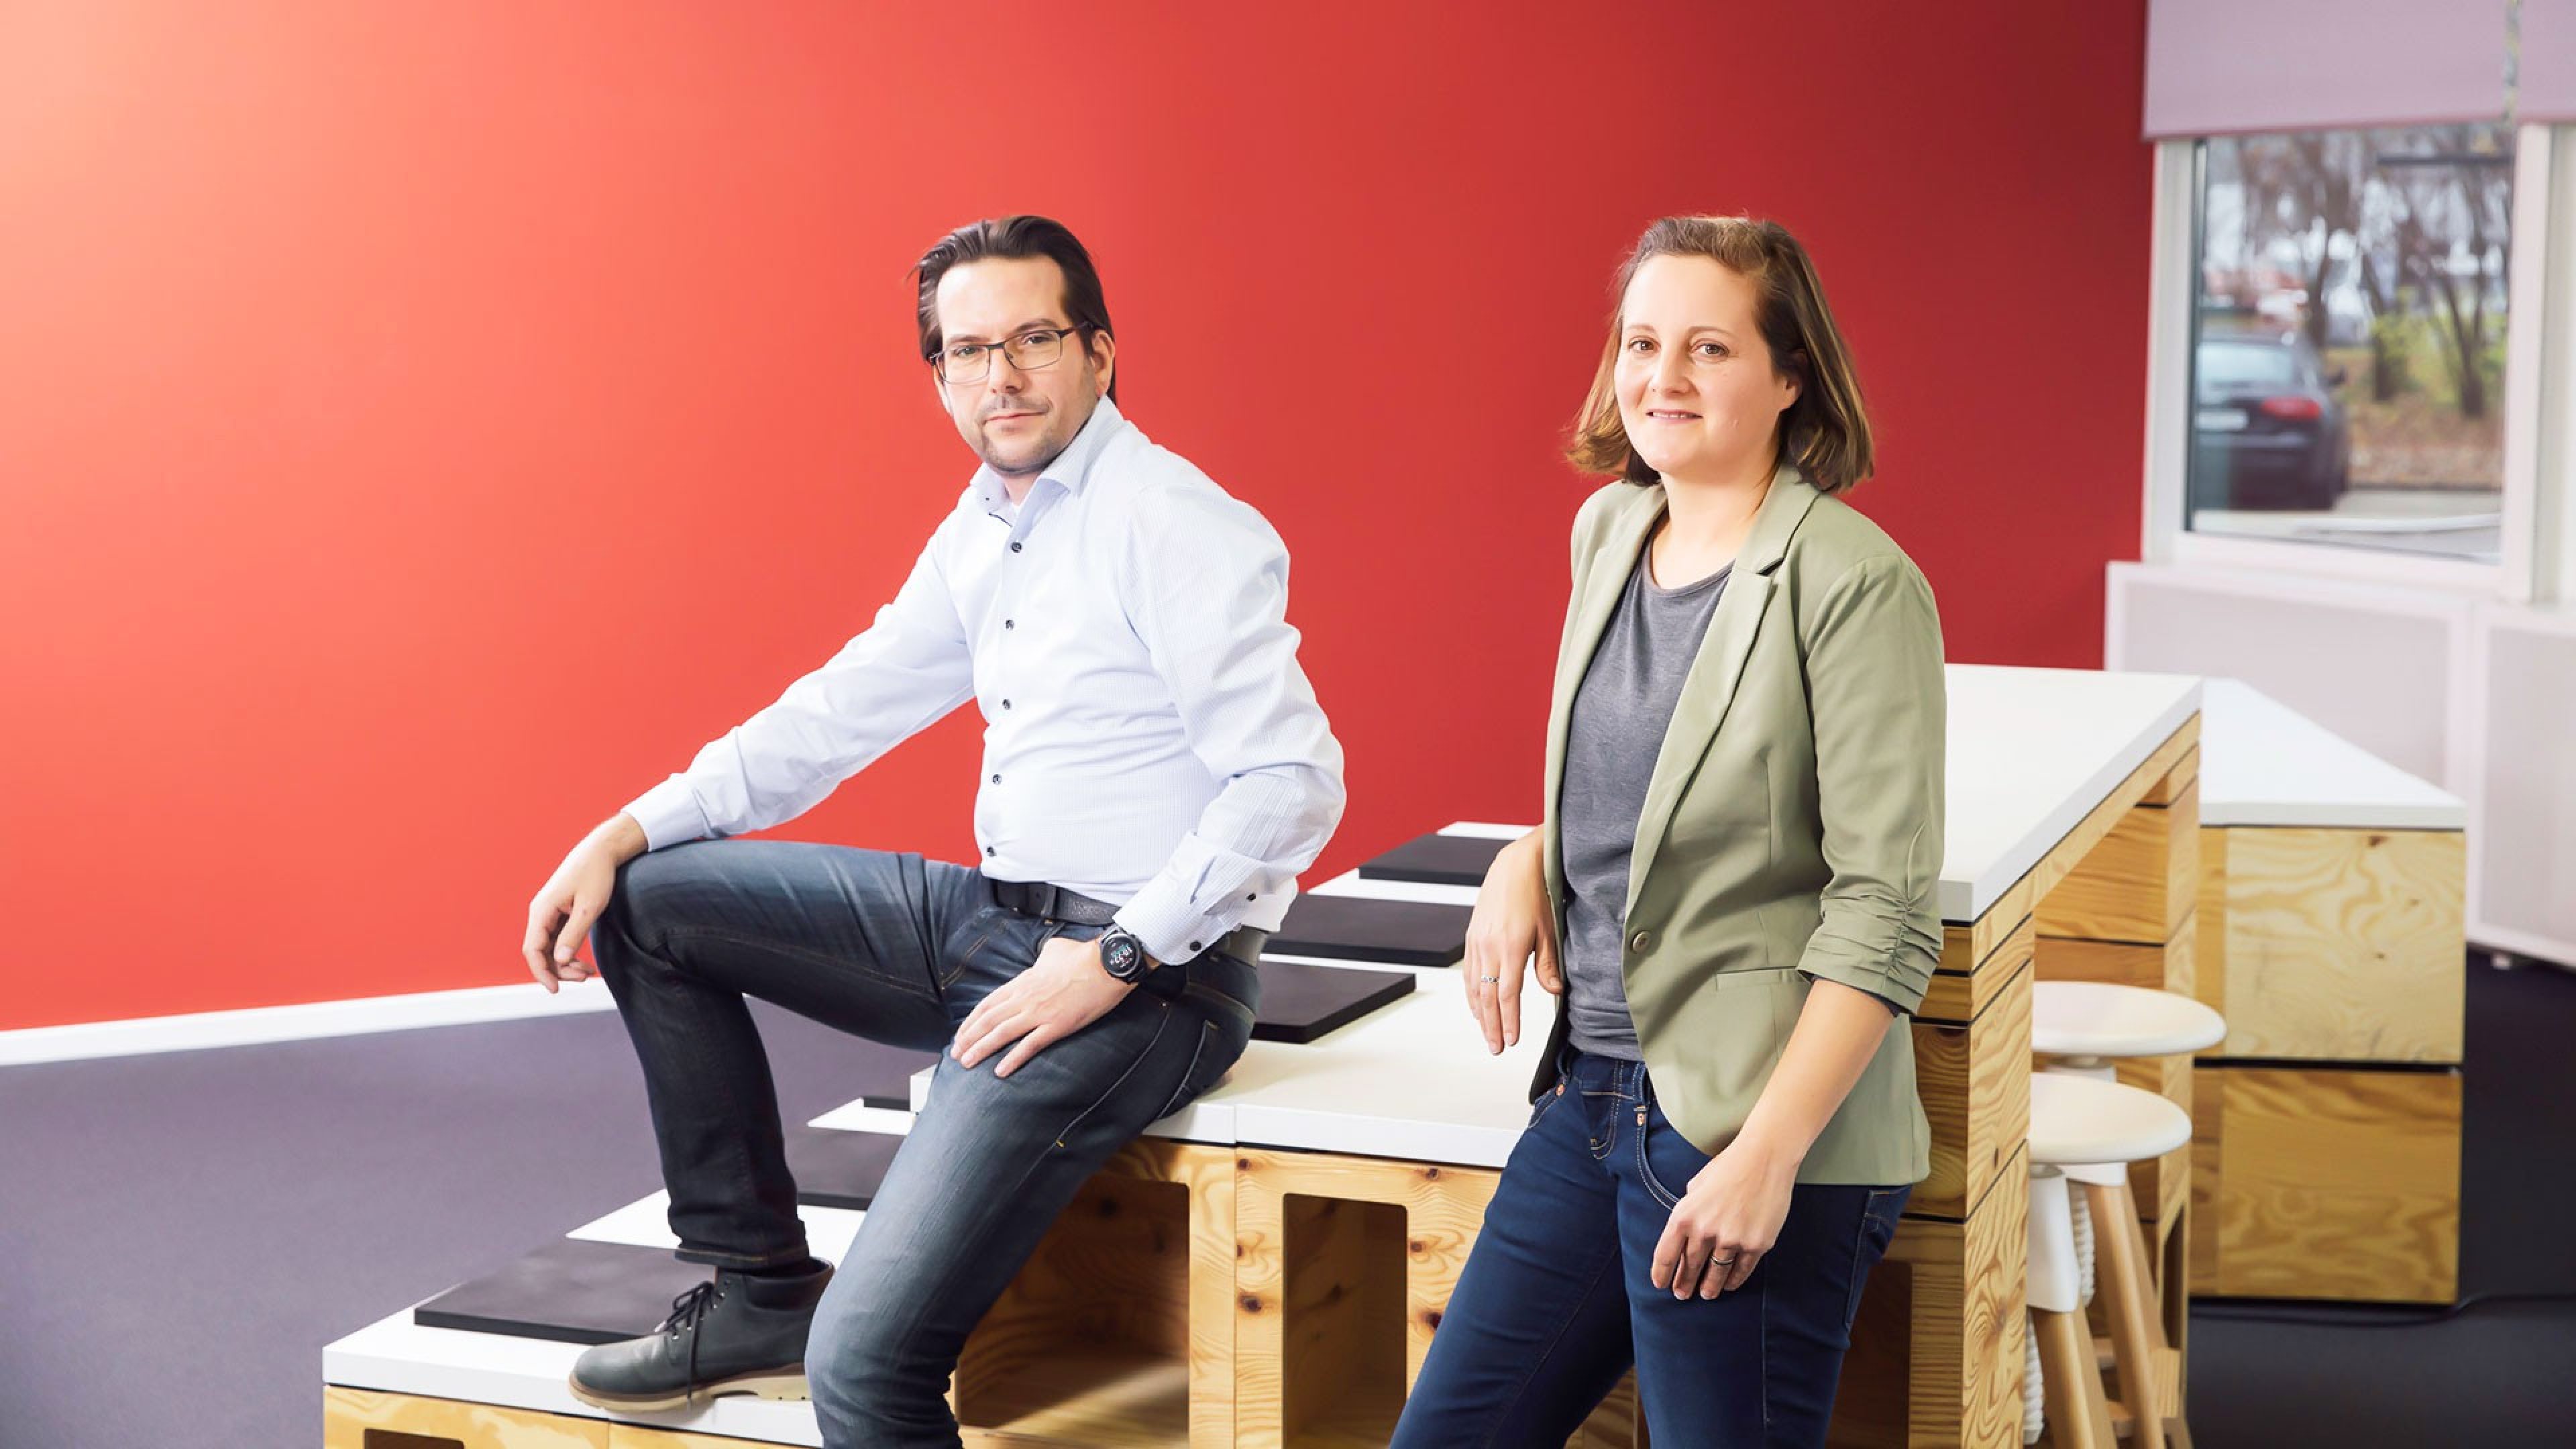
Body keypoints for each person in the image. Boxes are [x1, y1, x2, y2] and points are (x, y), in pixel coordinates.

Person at [519, 215, 1345, 1446]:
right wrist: (626, 827)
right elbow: (840, 711)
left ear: (1101, 354)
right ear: (940, 375)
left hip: (1151, 981)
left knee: (869, 1372)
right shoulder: (986, 528)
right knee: (648, 900)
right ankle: (756, 1295)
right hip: (991, 925)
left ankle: (820, 1336)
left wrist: (1117, 956)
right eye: (967, 351)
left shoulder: (1173, 522)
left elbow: (1294, 780)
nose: (1000, 375)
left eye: (1033, 339)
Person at [1390, 215, 1945, 1448]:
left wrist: (1765, 1155)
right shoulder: (1611, 531)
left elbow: (1888, 911)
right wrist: (1524, 849)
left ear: (1791, 375)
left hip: (1748, 1124)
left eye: (1709, 347)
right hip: (1593, 1092)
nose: (1662, 377)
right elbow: (1640, 780)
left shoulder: (1853, 582)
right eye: (1643, 342)